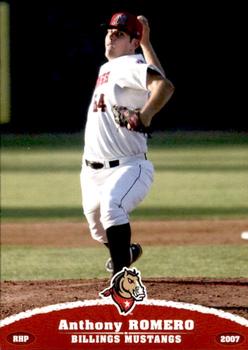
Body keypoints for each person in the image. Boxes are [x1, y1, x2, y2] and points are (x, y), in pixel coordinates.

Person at [80, 12, 174, 276]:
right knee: (98, 228)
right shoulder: (108, 68)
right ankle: (127, 253)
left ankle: (121, 281)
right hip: (92, 172)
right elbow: (155, 79)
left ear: (132, 42)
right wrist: (146, 44)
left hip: (128, 166)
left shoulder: (126, 64)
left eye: (119, 33)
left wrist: (144, 115)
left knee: (113, 206)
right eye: (109, 30)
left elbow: (164, 87)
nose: (111, 35)